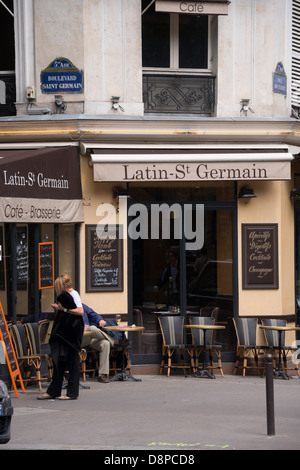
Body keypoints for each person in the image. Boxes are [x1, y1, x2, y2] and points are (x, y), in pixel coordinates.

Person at [37, 274, 84, 400]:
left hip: (70, 335)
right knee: (59, 360)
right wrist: (59, 308)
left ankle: (71, 393)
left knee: (71, 362)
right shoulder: (66, 295)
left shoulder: (73, 294)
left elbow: (80, 311)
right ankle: (54, 391)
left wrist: (63, 309)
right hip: (66, 334)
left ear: (61, 285)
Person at [82, 304, 124, 383]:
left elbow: (93, 314)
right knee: (92, 328)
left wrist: (100, 320)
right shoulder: (68, 309)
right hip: (78, 339)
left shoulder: (82, 306)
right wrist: (80, 327)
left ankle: (102, 375)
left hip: (89, 338)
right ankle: (114, 341)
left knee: (105, 343)